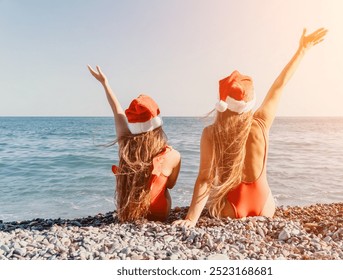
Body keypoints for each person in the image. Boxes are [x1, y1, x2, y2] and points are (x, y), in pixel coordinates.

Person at [173, 28, 327, 227]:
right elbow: (280, 85)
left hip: (230, 209)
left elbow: (205, 179)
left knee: (214, 193)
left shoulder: (212, 133)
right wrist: (302, 49)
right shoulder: (261, 122)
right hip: (264, 206)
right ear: (250, 101)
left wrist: (191, 219)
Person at [88, 65, 181, 222]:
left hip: (129, 214)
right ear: (157, 125)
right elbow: (170, 185)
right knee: (164, 187)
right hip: (159, 214)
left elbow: (117, 111)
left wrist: (105, 83)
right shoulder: (173, 155)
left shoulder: (126, 143)